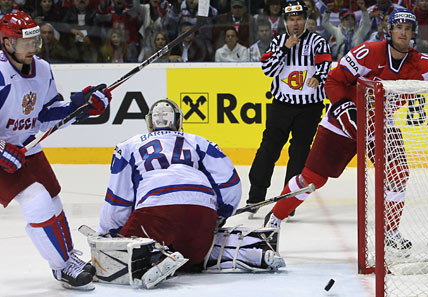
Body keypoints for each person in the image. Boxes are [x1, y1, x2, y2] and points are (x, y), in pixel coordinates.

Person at [264, 8, 428, 250]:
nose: (403, 33)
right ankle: (274, 219)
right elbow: (334, 80)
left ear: (413, 33)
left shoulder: (420, 63)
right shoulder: (367, 53)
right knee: (312, 179)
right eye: (398, 27)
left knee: (398, 173)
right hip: (343, 124)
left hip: (380, 124)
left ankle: (390, 230)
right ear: (389, 30)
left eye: (408, 29)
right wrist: (344, 107)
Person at [0, 11, 111, 290]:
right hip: (4, 153)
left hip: (28, 149)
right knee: (36, 200)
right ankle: (63, 267)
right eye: (24, 43)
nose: (32, 48)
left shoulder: (43, 69)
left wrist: (81, 107)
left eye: (34, 42)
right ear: (7, 43)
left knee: (52, 199)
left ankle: (66, 257)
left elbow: (46, 116)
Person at [97, 98, 242, 273]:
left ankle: (156, 260)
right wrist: (220, 215)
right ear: (179, 120)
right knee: (193, 260)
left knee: (120, 260)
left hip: (156, 210)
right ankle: (248, 252)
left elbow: (118, 197)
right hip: (201, 210)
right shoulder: (199, 142)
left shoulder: (127, 146)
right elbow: (229, 182)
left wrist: (111, 233)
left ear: (150, 121)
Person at [246, 1, 332, 218]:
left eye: (299, 19)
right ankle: (255, 196)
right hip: (281, 106)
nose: (296, 23)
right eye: (292, 19)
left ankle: (288, 199)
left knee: (299, 152)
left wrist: (318, 77)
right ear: (285, 22)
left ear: (305, 20)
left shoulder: (317, 41)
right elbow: (268, 69)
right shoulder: (277, 42)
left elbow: (325, 64)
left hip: (309, 108)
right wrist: (286, 48)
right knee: (268, 149)